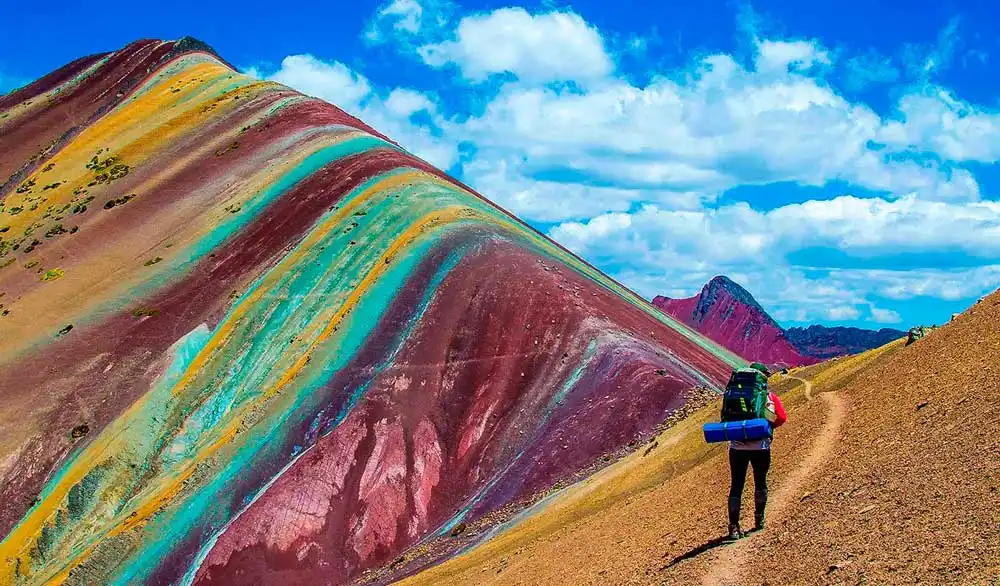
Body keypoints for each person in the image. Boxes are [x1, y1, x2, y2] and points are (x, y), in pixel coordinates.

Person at [727, 362, 787, 540]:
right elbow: (782, 418)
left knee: (736, 485)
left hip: (737, 447)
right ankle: (759, 519)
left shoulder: (735, 394)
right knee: (760, 482)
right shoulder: (768, 397)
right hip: (761, 447)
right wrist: (766, 426)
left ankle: (733, 526)